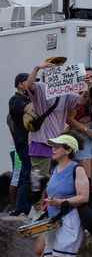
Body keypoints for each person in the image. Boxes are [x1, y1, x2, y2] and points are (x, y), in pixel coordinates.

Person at [41, 135, 89, 257]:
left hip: (69, 218)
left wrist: (60, 202)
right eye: (52, 145)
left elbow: (84, 197)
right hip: (54, 220)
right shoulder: (55, 168)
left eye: (57, 146)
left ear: (68, 149)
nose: (53, 149)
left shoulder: (77, 169)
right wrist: (48, 203)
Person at [24, 60, 80, 203]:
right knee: (39, 180)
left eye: (60, 70)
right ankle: (37, 209)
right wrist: (37, 67)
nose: (58, 73)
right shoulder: (41, 88)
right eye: (54, 70)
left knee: (54, 179)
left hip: (58, 144)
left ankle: (48, 208)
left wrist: (86, 86)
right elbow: (28, 85)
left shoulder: (67, 92)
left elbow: (82, 101)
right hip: (40, 142)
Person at [67, 68, 92, 178]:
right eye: (87, 77)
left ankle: (90, 194)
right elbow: (69, 119)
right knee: (85, 175)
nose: (89, 79)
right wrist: (87, 130)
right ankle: (85, 194)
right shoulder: (76, 95)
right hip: (81, 135)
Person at [8, 73, 33, 216]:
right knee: (25, 172)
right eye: (27, 82)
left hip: (29, 142)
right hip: (23, 142)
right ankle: (22, 206)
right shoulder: (15, 100)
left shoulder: (26, 98)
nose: (31, 84)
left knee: (28, 173)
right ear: (19, 84)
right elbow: (30, 109)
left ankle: (24, 206)